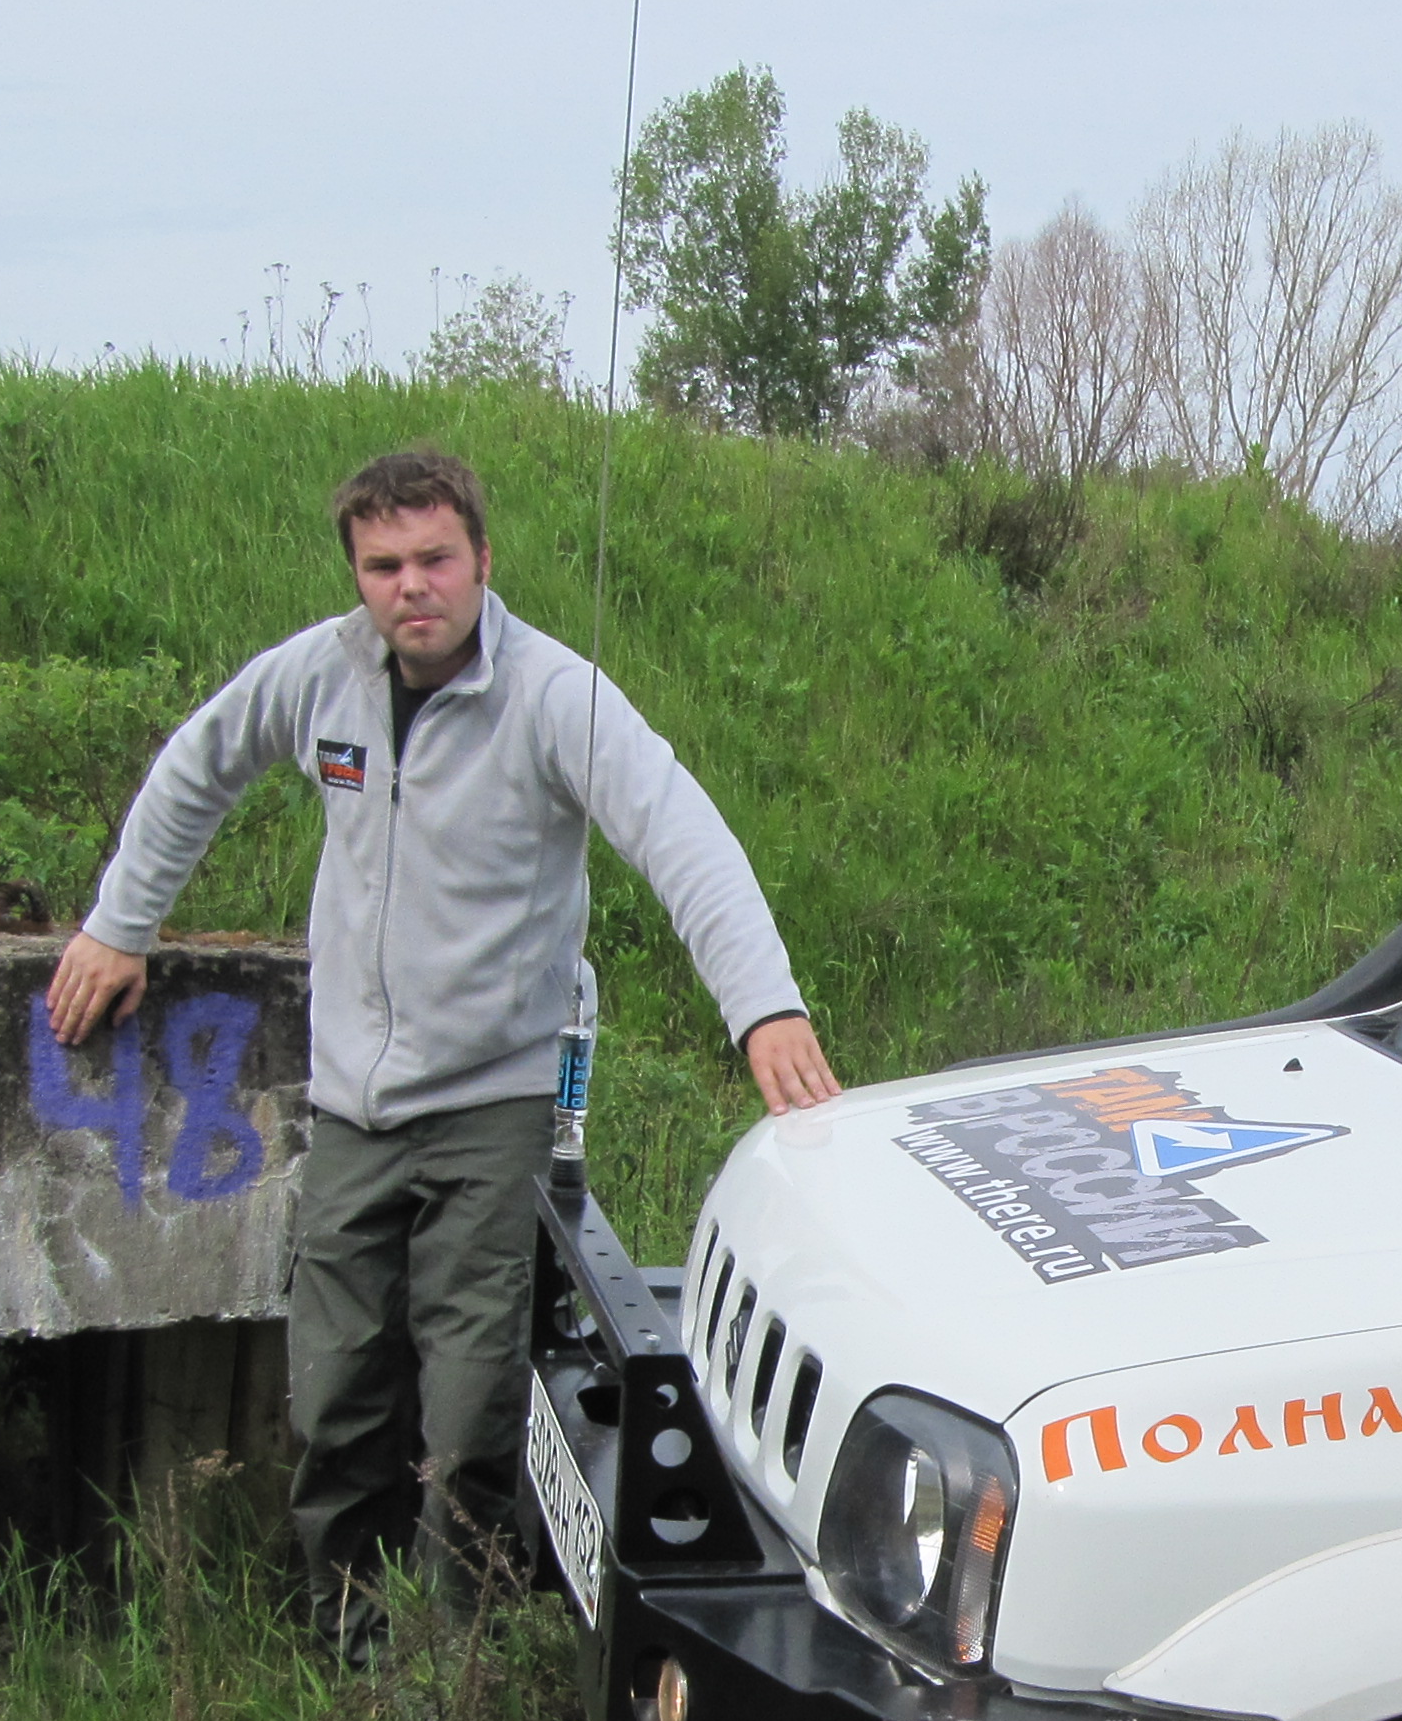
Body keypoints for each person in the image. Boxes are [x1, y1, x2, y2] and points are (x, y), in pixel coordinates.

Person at [47, 446, 836, 1656]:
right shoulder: (320, 676)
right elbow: (200, 764)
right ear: (356, 576)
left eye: (434, 559)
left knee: (467, 1416)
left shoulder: (555, 696)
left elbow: (681, 835)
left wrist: (763, 1007)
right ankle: (350, 1643)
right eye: (383, 566)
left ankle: (445, 1671)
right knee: (336, 1402)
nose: (411, 587)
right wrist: (120, 923)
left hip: (494, 1102)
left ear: (480, 559)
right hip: (354, 1107)